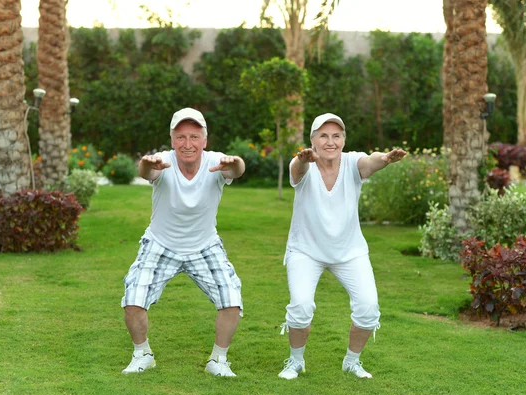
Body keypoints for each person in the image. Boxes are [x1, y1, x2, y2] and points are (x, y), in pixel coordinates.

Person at [277, 112, 406, 380]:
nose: (330, 141)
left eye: (336, 135)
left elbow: (370, 162)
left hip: (349, 251)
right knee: (300, 308)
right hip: (306, 250)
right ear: (313, 140)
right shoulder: (304, 163)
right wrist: (302, 161)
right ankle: (296, 361)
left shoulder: (351, 162)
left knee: (369, 309)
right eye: (323, 135)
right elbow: (296, 171)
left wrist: (384, 159)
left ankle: (352, 361)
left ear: (344, 140)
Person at [121, 107, 245, 377]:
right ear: (172, 139)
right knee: (133, 298)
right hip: (161, 243)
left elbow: (236, 170)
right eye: (180, 137)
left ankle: (218, 361)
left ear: (204, 140)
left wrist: (235, 163)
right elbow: (145, 172)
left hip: (204, 244)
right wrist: (146, 163)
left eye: (194, 137)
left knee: (231, 300)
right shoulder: (161, 161)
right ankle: (142, 354)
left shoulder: (216, 161)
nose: (187, 144)